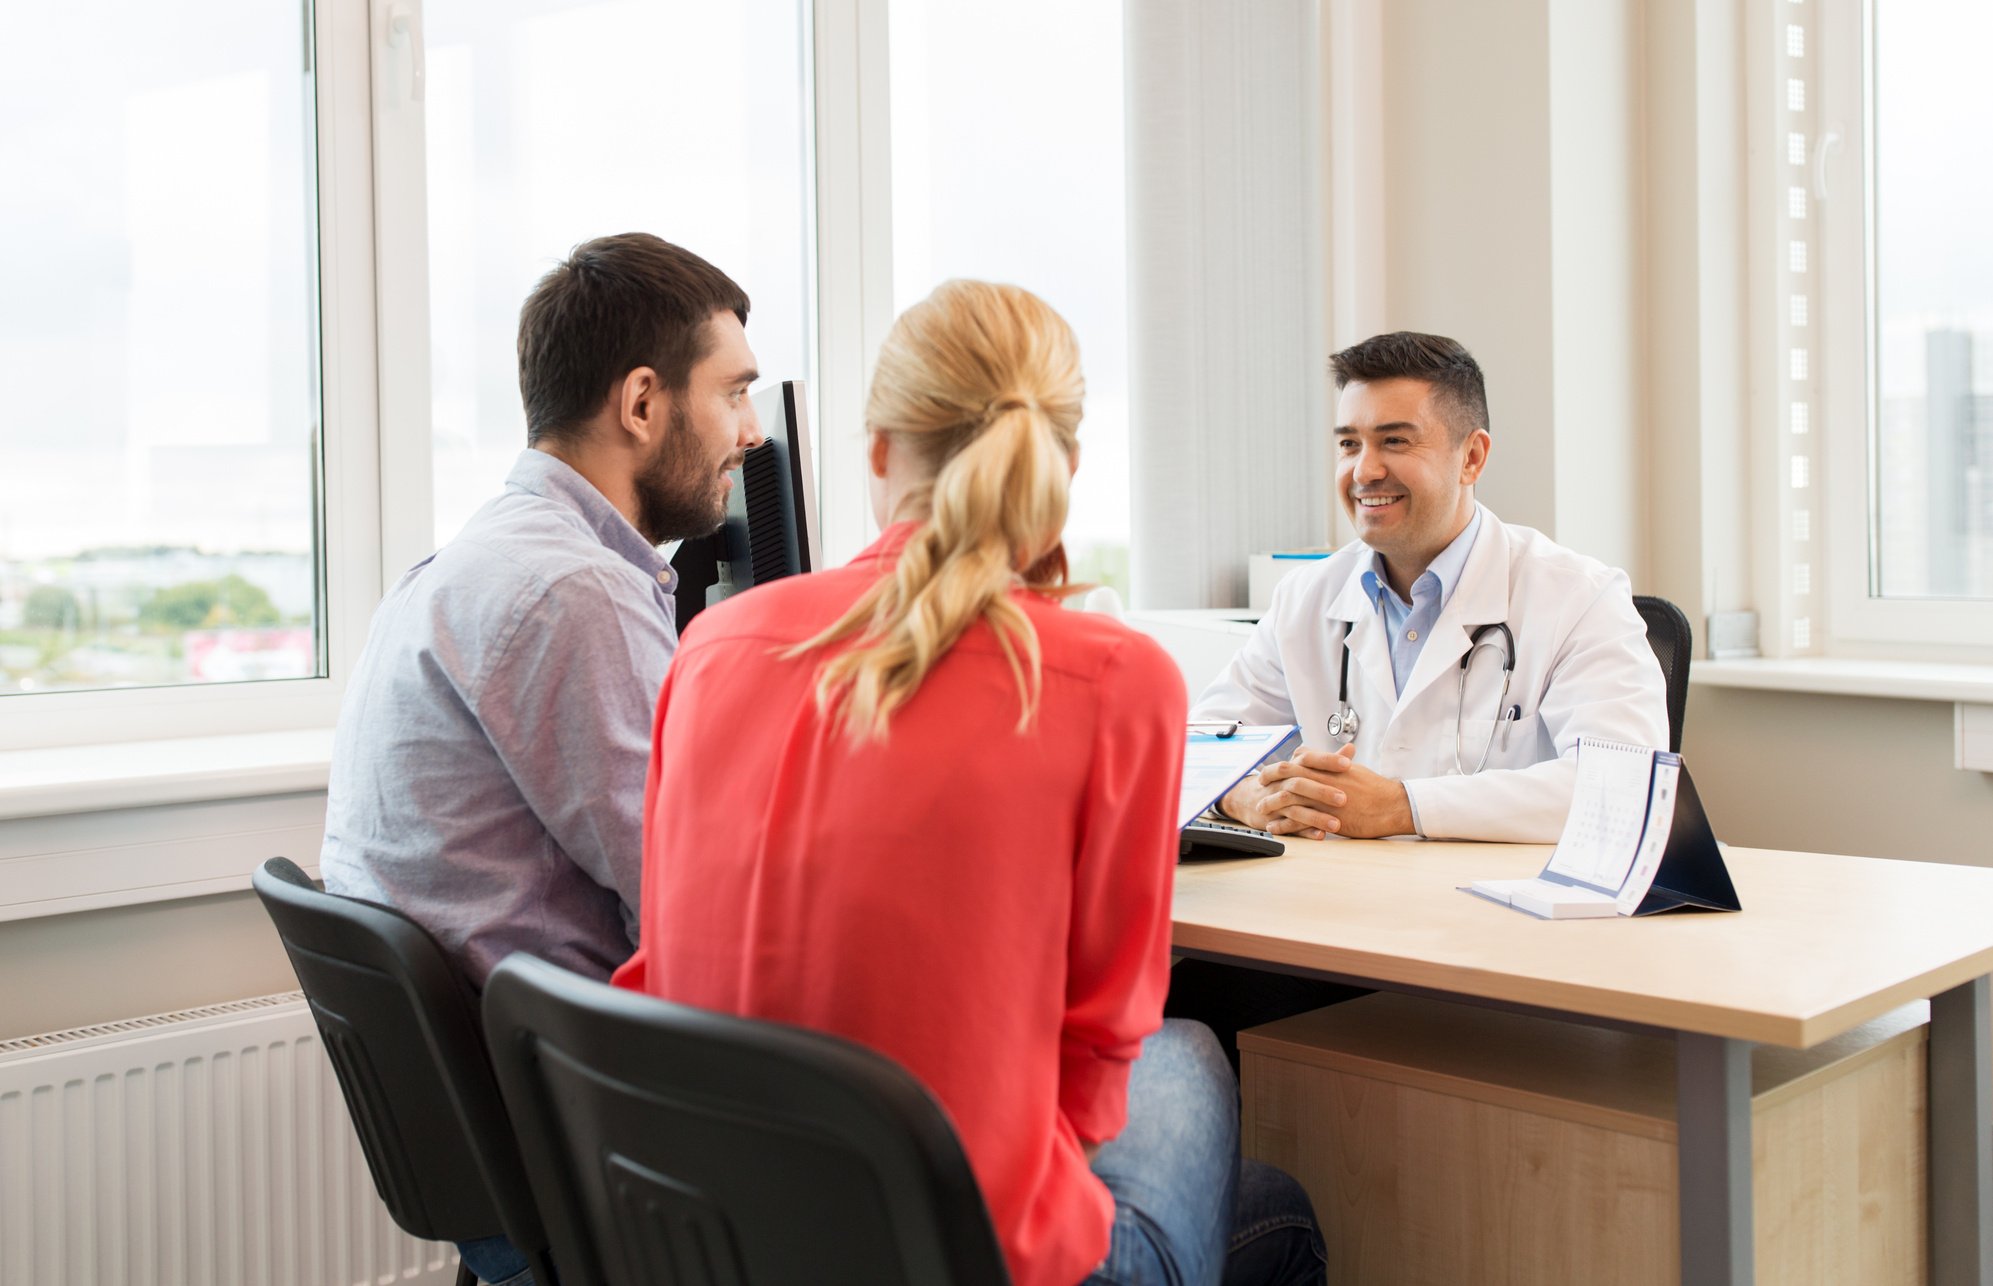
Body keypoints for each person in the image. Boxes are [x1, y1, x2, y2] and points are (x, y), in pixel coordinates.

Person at [614, 280, 1325, 1286]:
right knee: (1215, 1098)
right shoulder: (1115, 679)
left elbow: (659, 963)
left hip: (720, 1234)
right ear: (1063, 465)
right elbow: (1096, 1045)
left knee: (1181, 1059)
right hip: (960, 1254)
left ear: (875, 453)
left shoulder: (711, 644)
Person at [321, 233, 762, 1285]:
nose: (751, 433)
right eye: (735, 393)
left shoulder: (469, 562)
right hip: (607, 1170)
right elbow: (698, 924)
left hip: (518, 1164)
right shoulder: (575, 594)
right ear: (643, 403)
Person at [1168, 329, 1670, 1055]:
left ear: (1471, 457)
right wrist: (1246, 797)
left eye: (1395, 441)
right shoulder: (1308, 597)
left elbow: (1618, 787)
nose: (1364, 470)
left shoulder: (1576, 595)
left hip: (1507, 951)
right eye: (1347, 444)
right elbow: (1202, 747)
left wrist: (1401, 806)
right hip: (1331, 936)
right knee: (1175, 1019)